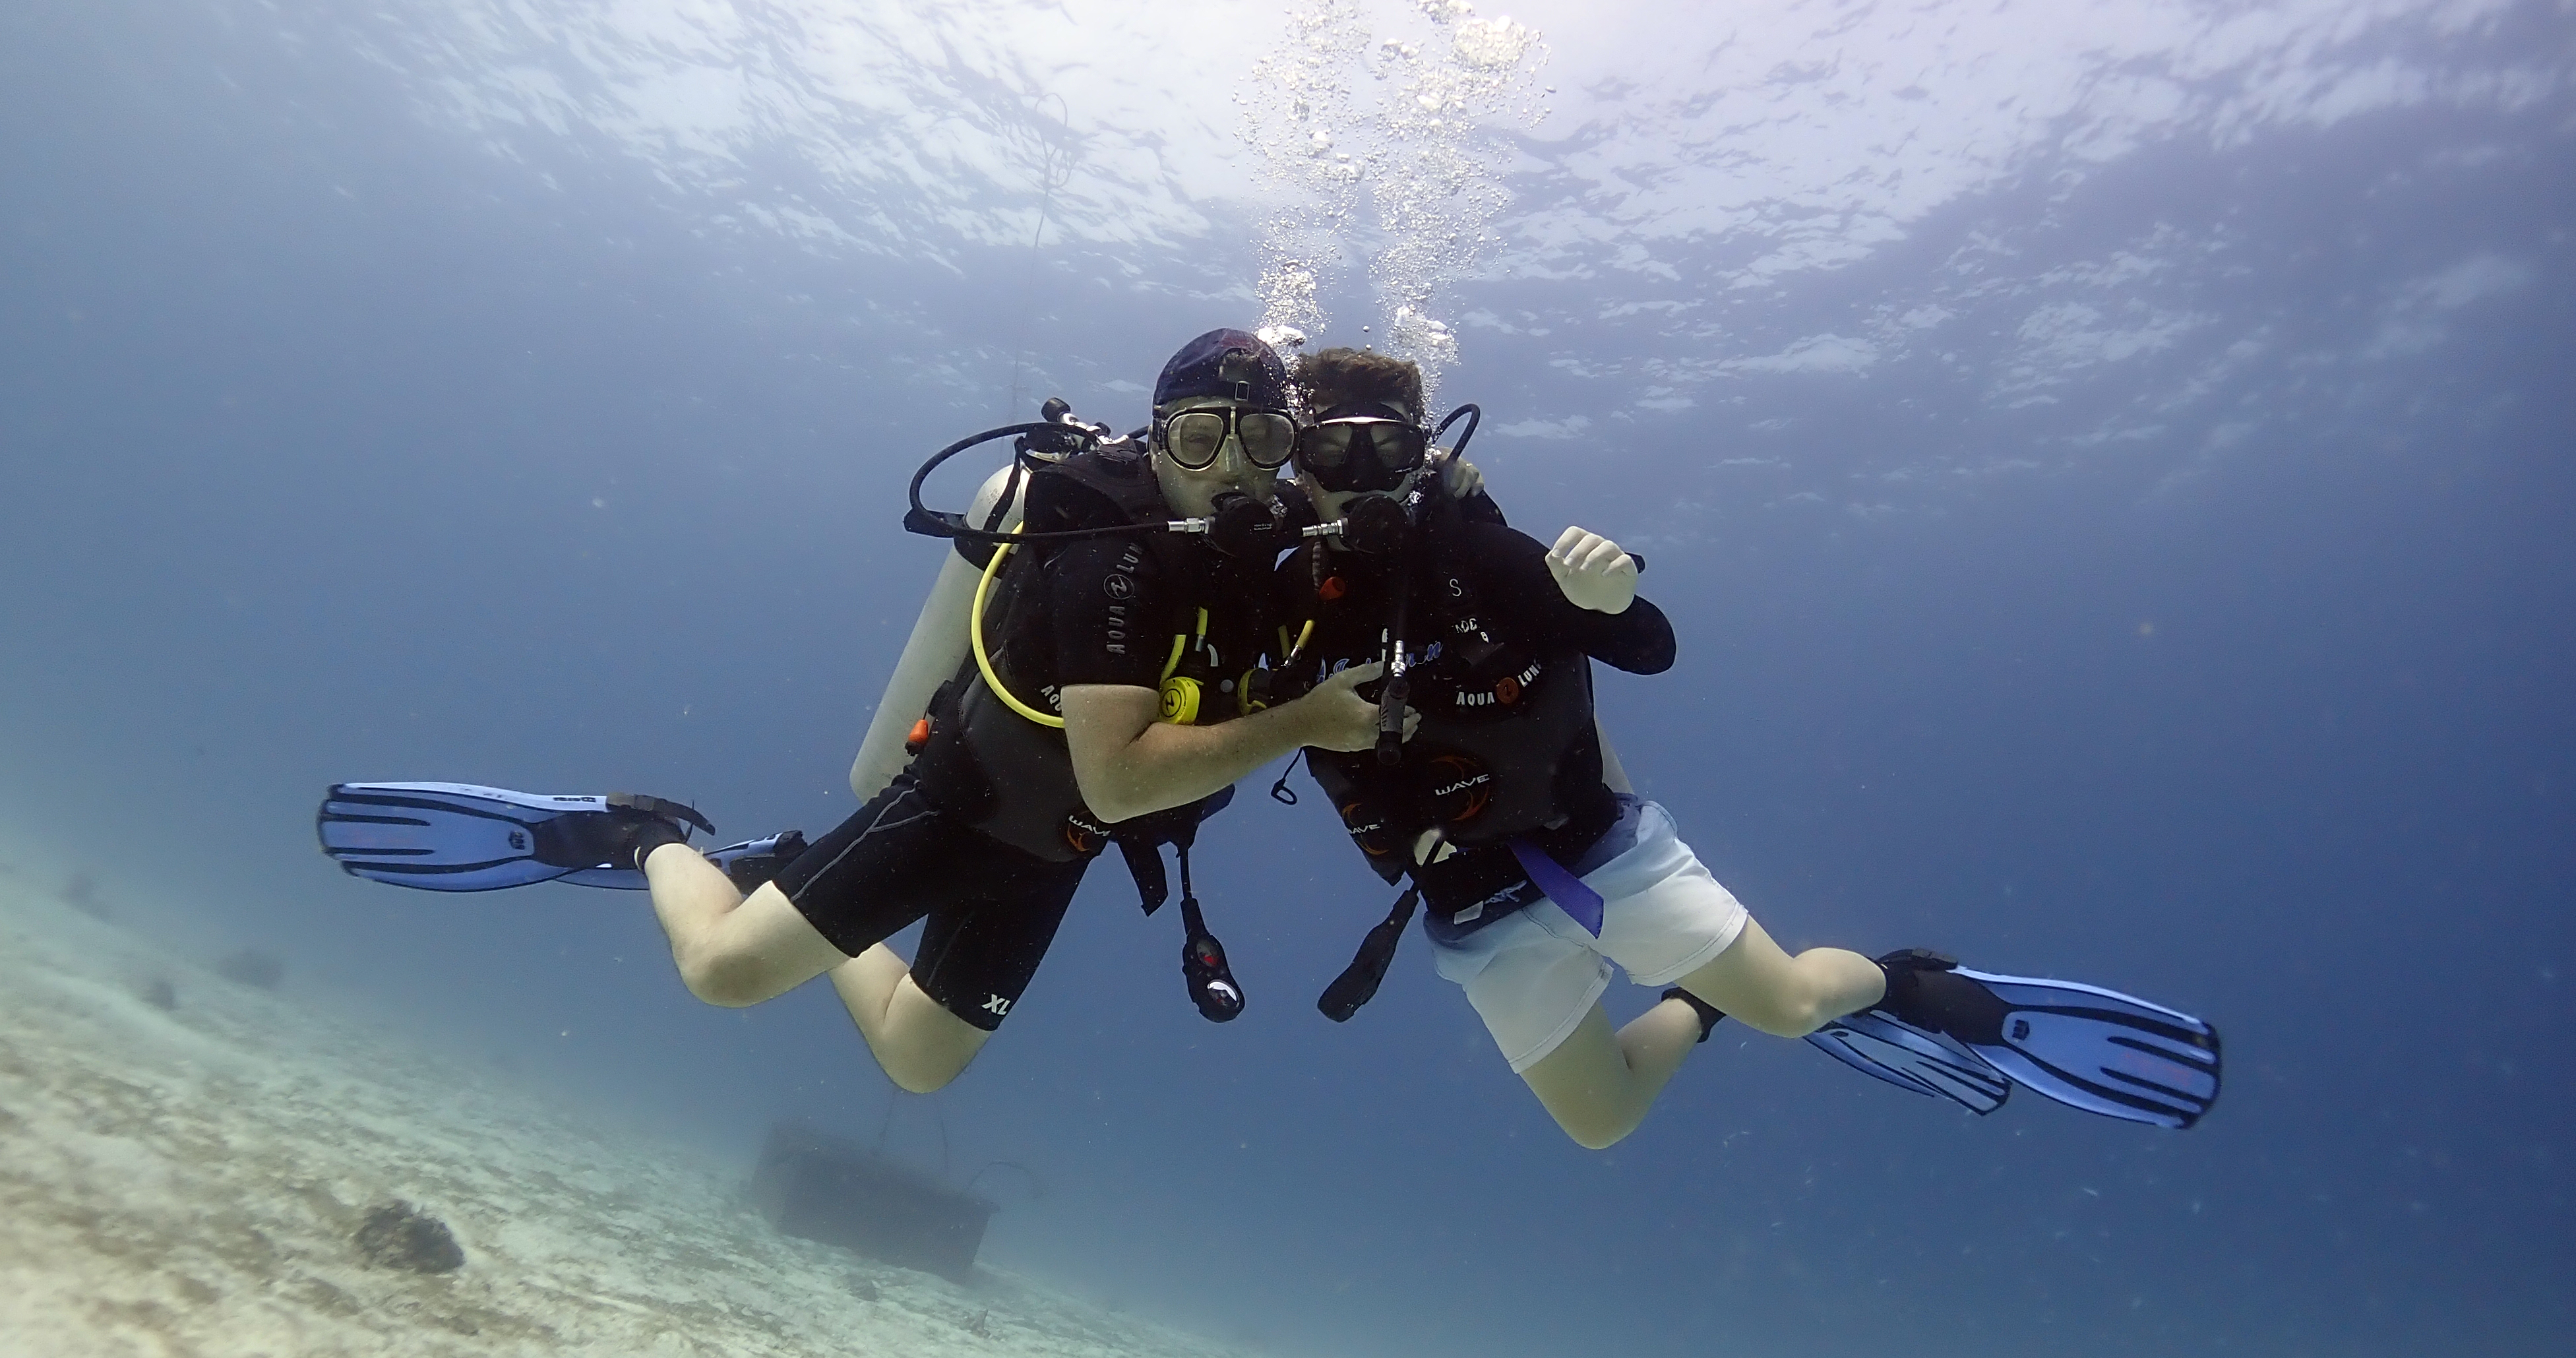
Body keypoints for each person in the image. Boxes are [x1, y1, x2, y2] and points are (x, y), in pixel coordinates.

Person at [322, 330, 1390, 1094]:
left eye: (1260, 441)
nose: (1232, 471)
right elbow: (1119, 775)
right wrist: (1301, 724)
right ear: (1157, 441)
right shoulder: (1106, 554)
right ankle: (644, 833)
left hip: (1053, 849)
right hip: (962, 806)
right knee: (723, 976)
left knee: (920, 1062)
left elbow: (1385, 478)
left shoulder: (1277, 542)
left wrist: (1453, 490)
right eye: (1201, 439)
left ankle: (780, 867)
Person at [1273, 348, 2221, 1144]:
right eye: (1334, 454)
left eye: (1386, 448)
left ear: (1422, 455)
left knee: (1797, 1008)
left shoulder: (1484, 556)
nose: (1361, 479)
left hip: (1600, 852)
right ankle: (1698, 1005)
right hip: (1470, 904)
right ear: (1297, 466)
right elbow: (1267, 725)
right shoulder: (1279, 602)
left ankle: (1910, 985)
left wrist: (1606, 598)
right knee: (1600, 1122)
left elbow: (1651, 647)